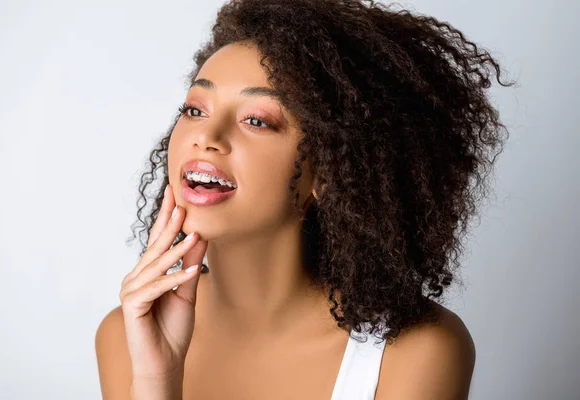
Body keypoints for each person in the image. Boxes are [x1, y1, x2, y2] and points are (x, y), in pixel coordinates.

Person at [95, 0, 515, 398]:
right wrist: (156, 379)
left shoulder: (417, 352)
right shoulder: (127, 335)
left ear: (328, 171)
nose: (206, 136)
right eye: (195, 110)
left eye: (256, 120)